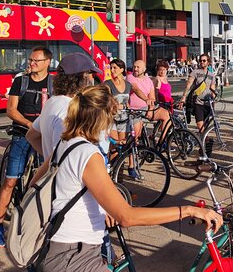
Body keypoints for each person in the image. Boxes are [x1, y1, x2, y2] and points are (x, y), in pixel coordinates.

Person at [32, 85, 221, 271]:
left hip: (59, 247)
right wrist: (188, 210)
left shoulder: (65, 144)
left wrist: (98, 207)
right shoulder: (88, 153)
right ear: (101, 118)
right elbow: (127, 216)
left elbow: (35, 185)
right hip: (76, 256)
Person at [0, 46, 53, 249]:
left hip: (45, 136)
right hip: (22, 134)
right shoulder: (21, 81)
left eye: (36, 61)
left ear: (47, 63)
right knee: (10, 181)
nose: (31, 63)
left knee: (49, 180)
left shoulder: (54, 84)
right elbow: (11, 109)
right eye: (30, 60)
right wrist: (30, 125)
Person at [26, 53, 102, 160]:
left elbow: (31, 136)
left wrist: (50, 160)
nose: (93, 79)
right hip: (70, 176)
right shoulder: (70, 108)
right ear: (83, 76)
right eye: (92, 74)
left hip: (57, 173)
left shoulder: (51, 102)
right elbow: (67, 156)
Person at [127, 60, 171, 152]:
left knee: (167, 115)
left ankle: (161, 142)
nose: (135, 69)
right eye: (134, 67)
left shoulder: (148, 80)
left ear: (144, 69)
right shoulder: (130, 77)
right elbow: (136, 89)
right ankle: (132, 156)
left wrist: (150, 109)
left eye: (138, 67)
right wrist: (146, 99)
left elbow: (152, 97)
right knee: (136, 135)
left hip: (147, 108)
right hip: (135, 110)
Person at [179, 54, 217, 132]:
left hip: (207, 103)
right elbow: (188, 86)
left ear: (208, 62)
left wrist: (214, 99)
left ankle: (203, 142)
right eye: (200, 60)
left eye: (204, 60)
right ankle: (206, 140)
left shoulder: (211, 75)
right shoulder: (195, 72)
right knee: (200, 124)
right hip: (197, 102)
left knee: (205, 125)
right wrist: (183, 97)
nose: (202, 62)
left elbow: (212, 89)